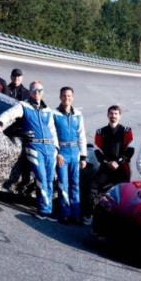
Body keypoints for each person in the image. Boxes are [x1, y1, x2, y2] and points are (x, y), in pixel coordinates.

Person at [0, 81, 59, 221]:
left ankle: (48, 209)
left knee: (49, 179)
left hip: (50, 148)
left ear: (43, 92)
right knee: (41, 177)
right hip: (34, 147)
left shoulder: (48, 110)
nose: (37, 93)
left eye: (40, 90)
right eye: (34, 90)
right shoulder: (23, 105)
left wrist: (56, 148)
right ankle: (43, 210)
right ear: (30, 92)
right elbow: (8, 114)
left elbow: (53, 131)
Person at [88, 105, 134, 224]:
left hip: (122, 168)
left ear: (120, 115)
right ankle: (92, 215)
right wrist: (108, 162)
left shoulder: (126, 131)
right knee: (93, 187)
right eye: (111, 114)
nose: (113, 116)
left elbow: (130, 150)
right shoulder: (100, 131)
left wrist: (118, 162)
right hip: (106, 167)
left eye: (116, 114)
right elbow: (98, 150)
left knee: (123, 195)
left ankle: (121, 221)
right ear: (108, 115)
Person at [53, 87, 87, 224]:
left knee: (75, 184)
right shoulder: (54, 114)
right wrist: (57, 153)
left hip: (75, 152)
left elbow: (82, 136)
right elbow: (52, 135)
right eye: (64, 95)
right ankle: (65, 213)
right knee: (63, 184)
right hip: (62, 152)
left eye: (69, 96)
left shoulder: (78, 114)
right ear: (60, 97)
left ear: (72, 97)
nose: (66, 98)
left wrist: (83, 157)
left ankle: (76, 214)